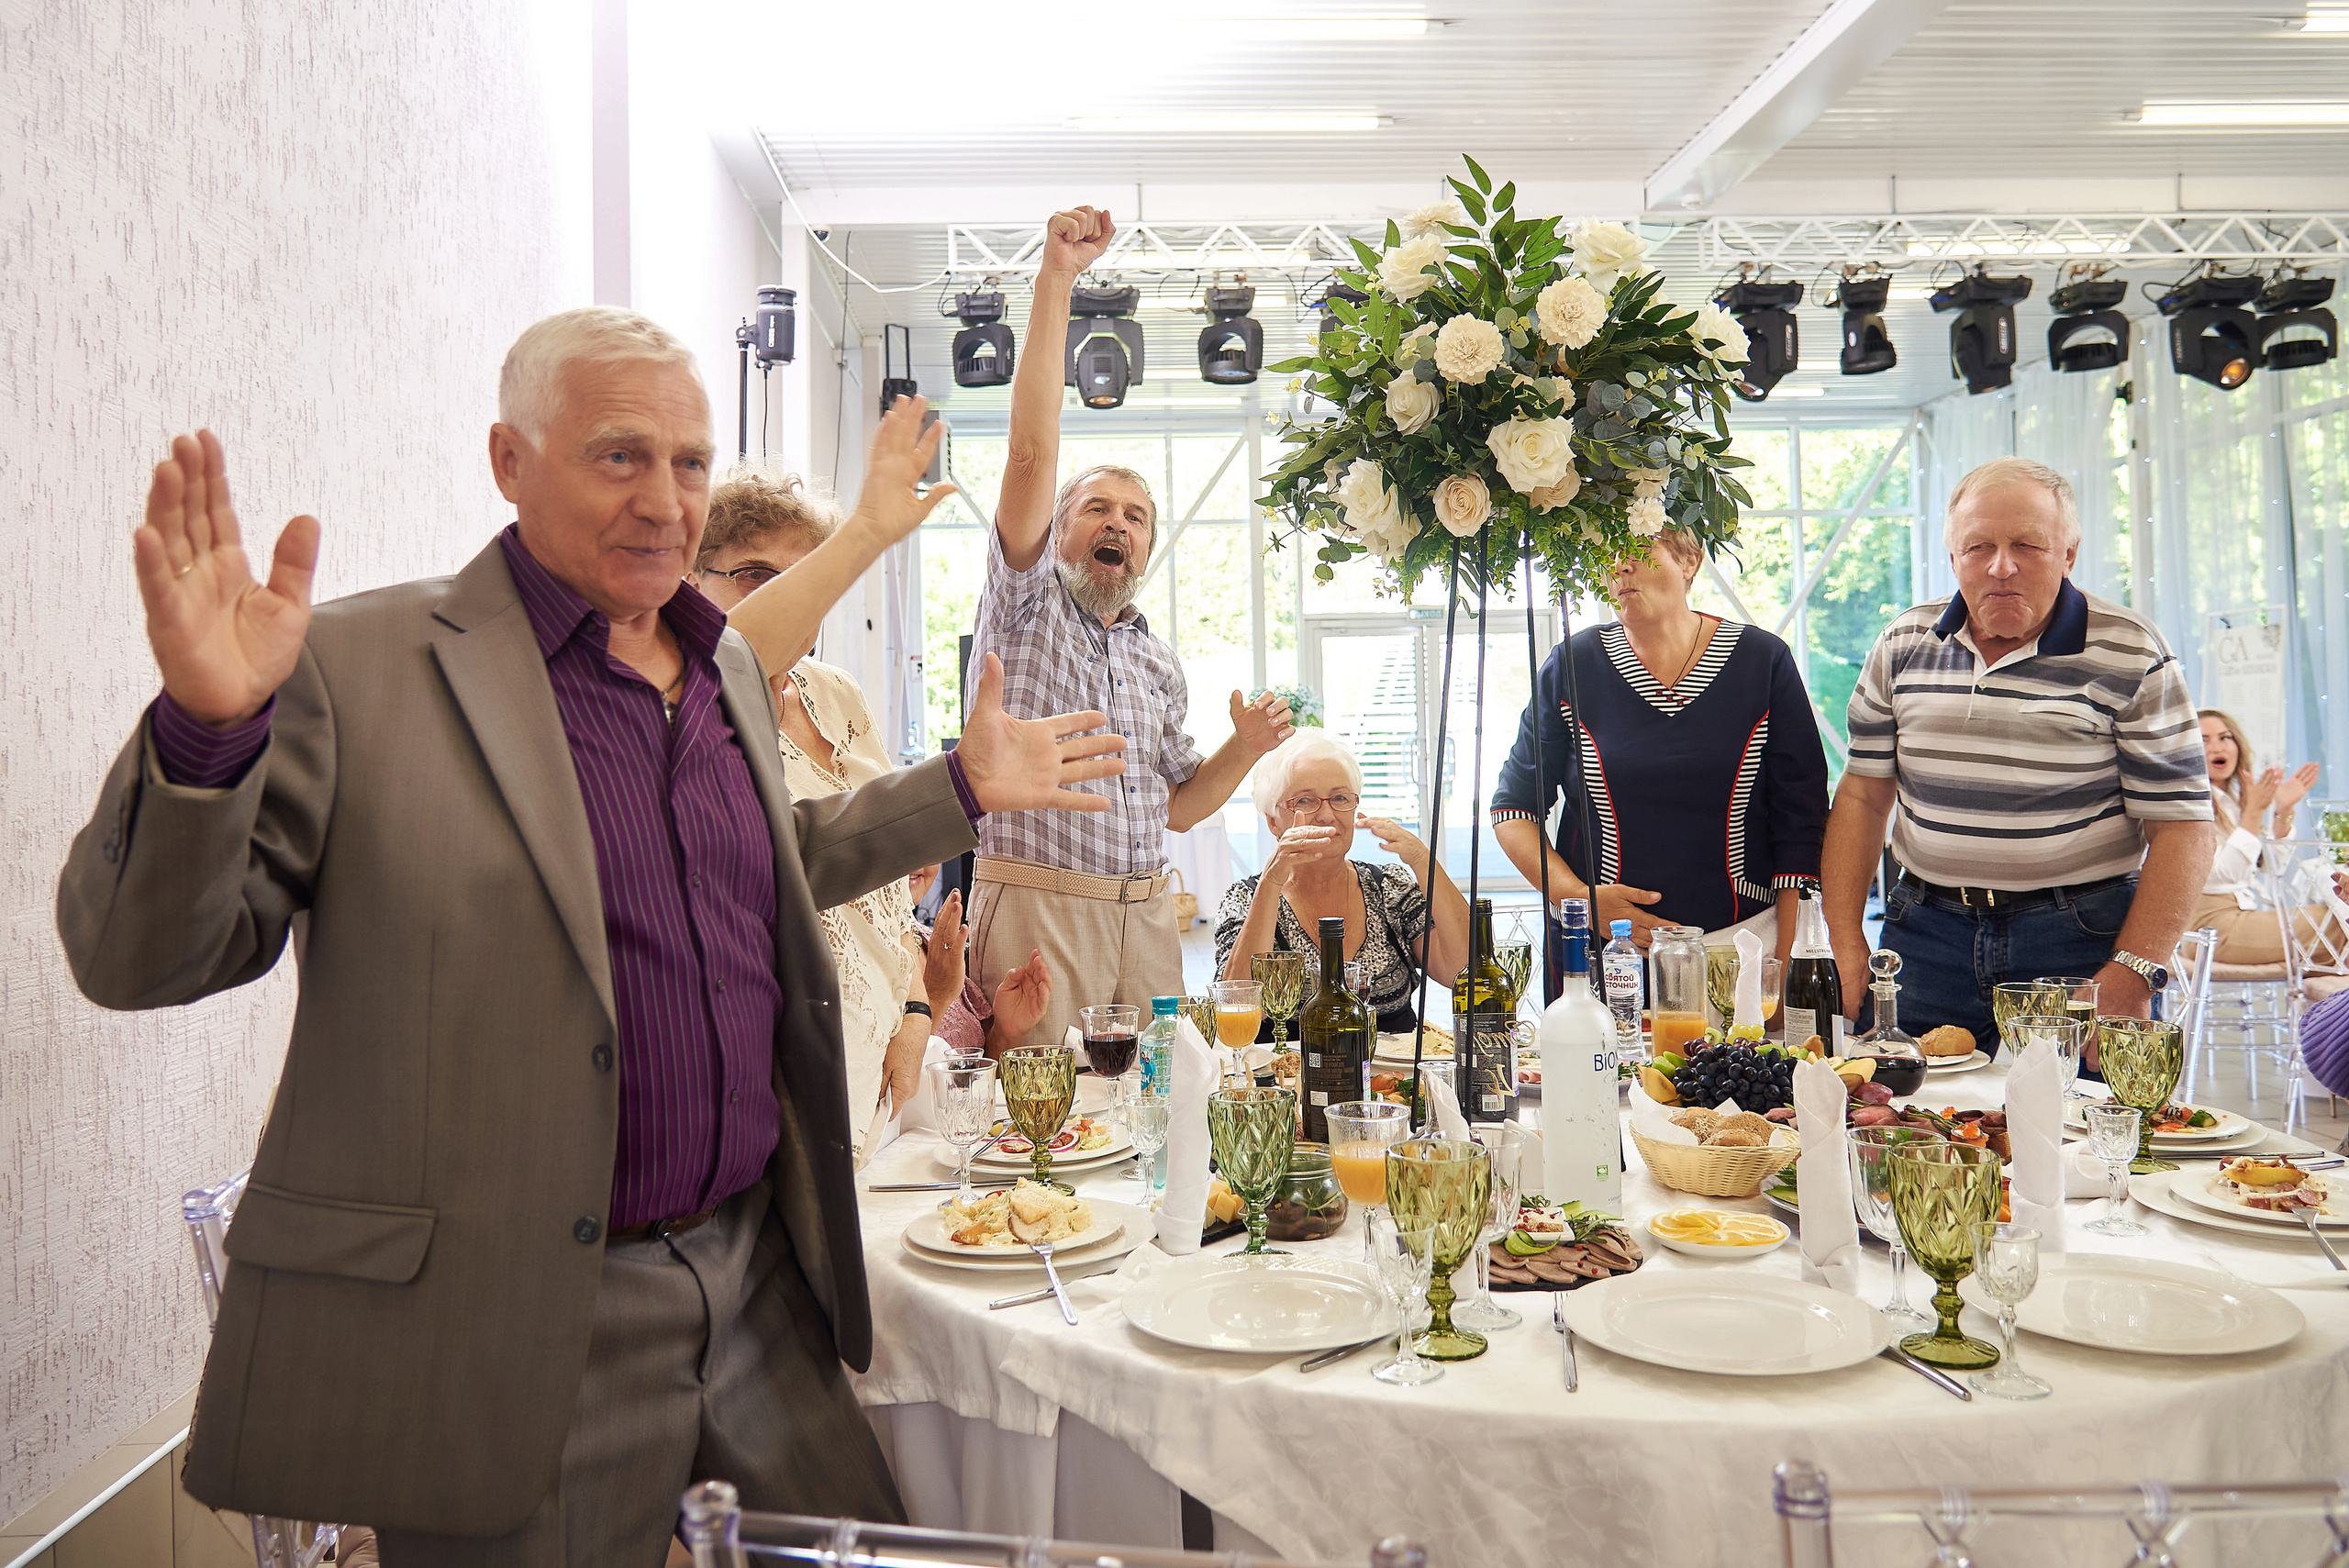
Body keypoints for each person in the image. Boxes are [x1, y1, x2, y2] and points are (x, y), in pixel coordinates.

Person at [55, 309, 1125, 1566]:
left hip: (754, 1269)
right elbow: (144, 957)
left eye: (687, 462)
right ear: (510, 462)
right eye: (619, 456)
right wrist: (203, 736)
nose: (665, 500)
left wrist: (956, 788)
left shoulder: (717, 666)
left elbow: (767, 871)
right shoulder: (363, 667)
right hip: (525, 1315)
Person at [966, 204, 1293, 1046]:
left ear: (1146, 546)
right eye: (1097, 508)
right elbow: (1032, 454)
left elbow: (1181, 808)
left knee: (1154, 1121)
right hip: (1040, 907)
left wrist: (1246, 748)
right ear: (1059, 527)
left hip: (1145, 914)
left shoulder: (1155, 658)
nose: (1118, 523)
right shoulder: (1025, 603)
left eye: (1137, 516)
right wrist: (1056, 280)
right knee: (1034, 1128)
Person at [1820, 456, 2215, 1052]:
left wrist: (2132, 972)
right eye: (1978, 546)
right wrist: (1845, 937)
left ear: (2069, 553)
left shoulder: (2130, 651)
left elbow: (2183, 828)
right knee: (1905, 1126)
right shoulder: (1903, 644)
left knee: (2081, 1132)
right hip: (1924, 933)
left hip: (2080, 938)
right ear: (1953, 555)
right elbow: (1862, 794)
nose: (2001, 566)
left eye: (2028, 545)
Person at [695, 470, 958, 1165]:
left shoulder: (836, 693)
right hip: (775, 1069)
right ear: (692, 581)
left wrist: (916, 1010)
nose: (786, 594)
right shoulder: (691, 711)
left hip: (879, 1048)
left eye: (806, 573)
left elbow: (890, 882)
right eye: (754, 573)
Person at [1491, 528, 1830, 996]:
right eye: (1604, 556)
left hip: (1745, 948)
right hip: (1603, 953)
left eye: (1635, 551)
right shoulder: (1572, 665)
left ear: (1690, 559)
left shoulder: (1762, 661)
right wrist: (1581, 902)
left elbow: (1802, 822)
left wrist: (1787, 967)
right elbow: (1513, 809)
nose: (1619, 566)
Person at [1214, 731, 1470, 1035]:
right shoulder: (1245, 899)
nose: (1326, 815)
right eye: (1305, 801)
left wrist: (1422, 861)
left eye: (1339, 798)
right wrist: (1271, 881)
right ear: (1273, 820)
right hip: (1288, 1075)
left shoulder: (1389, 887)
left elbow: (1461, 970)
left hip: (1390, 1078)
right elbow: (1233, 1006)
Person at [2193, 707, 2344, 967]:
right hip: (2213, 930)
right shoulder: (2189, 805)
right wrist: (2254, 813)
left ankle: (2328, 1004)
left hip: (2240, 919)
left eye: (2224, 737)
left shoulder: (2231, 802)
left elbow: (2272, 867)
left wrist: (2283, 810)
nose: (2216, 747)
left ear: (2237, 744)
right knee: (2336, 922)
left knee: (2337, 923)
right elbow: (2225, 875)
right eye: (2202, 740)